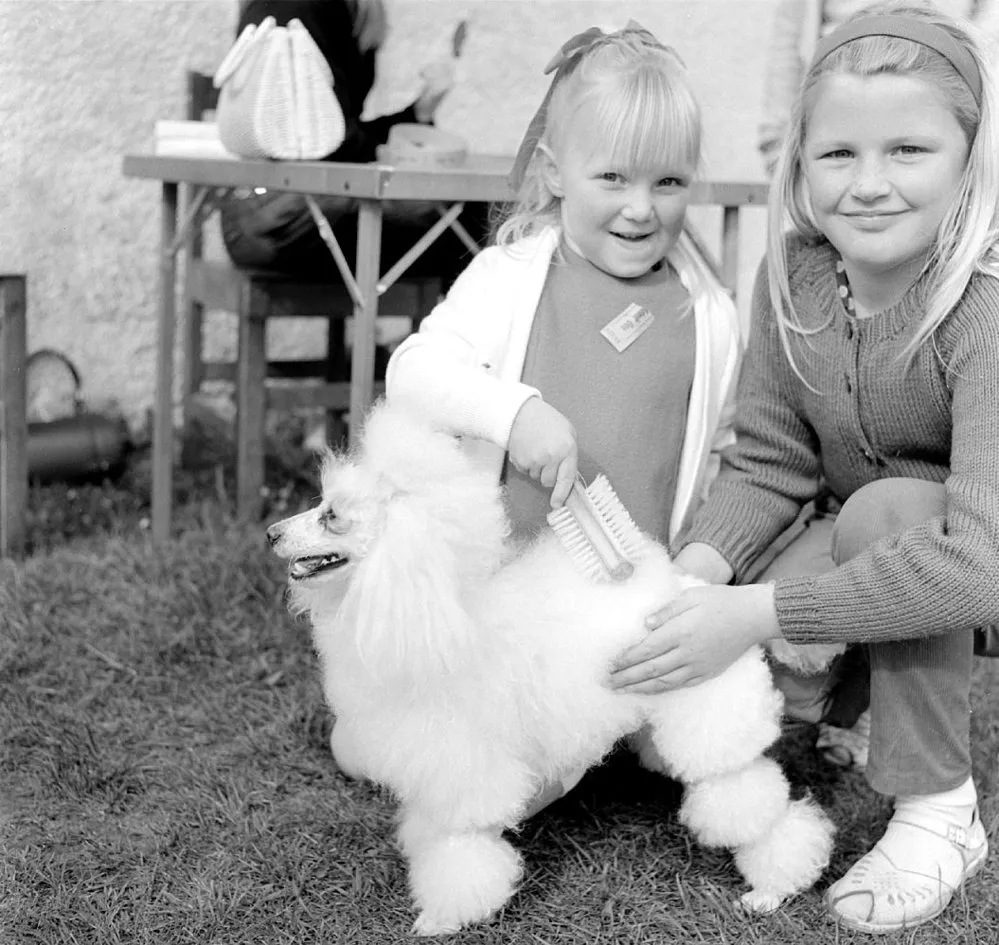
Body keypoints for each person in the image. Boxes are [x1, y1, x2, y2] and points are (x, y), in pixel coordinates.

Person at [610, 2, 999, 933]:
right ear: (799, 164)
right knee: (693, 706)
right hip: (866, 537)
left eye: (908, 150)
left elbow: (980, 562)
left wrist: (757, 614)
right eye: (837, 155)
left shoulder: (983, 307)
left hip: (970, 554)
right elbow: (767, 464)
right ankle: (843, 705)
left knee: (891, 510)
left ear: (968, 161)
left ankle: (938, 809)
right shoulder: (794, 276)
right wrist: (694, 582)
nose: (868, 184)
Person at [385, 23, 743, 811]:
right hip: (513, 611)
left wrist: (694, 573)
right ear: (554, 174)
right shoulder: (508, 277)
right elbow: (411, 372)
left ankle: (609, 734)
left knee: (681, 735)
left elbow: (726, 448)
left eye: (669, 182)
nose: (640, 209)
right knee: (484, 777)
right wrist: (514, 413)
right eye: (611, 177)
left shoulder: (707, 312)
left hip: (626, 607)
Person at [219, 0, 486, 286]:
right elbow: (335, 145)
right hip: (287, 220)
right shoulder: (308, 7)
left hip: (270, 213)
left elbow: (335, 137)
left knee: (463, 221)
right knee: (477, 222)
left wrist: (419, 112)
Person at [757, 0, 979, 177]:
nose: (869, 187)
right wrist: (781, 157)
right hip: (836, 100)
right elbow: (788, 48)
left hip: (935, 100)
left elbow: (986, 42)